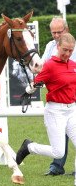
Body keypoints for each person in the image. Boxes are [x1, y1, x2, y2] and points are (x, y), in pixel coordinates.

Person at [16, 33, 76, 178]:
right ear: (58, 47)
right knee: (58, 152)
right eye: (65, 50)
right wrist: (31, 88)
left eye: (71, 50)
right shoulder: (49, 65)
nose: (67, 54)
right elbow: (31, 87)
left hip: (72, 110)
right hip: (55, 111)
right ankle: (29, 147)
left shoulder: (74, 65)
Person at [41, 17, 76, 176]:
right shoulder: (49, 46)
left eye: (59, 32)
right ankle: (57, 166)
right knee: (59, 133)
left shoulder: (73, 47)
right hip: (57, 97)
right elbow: (42, 66)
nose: (55, 35)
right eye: (53, 32)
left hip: (72, 95)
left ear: (66, 30)